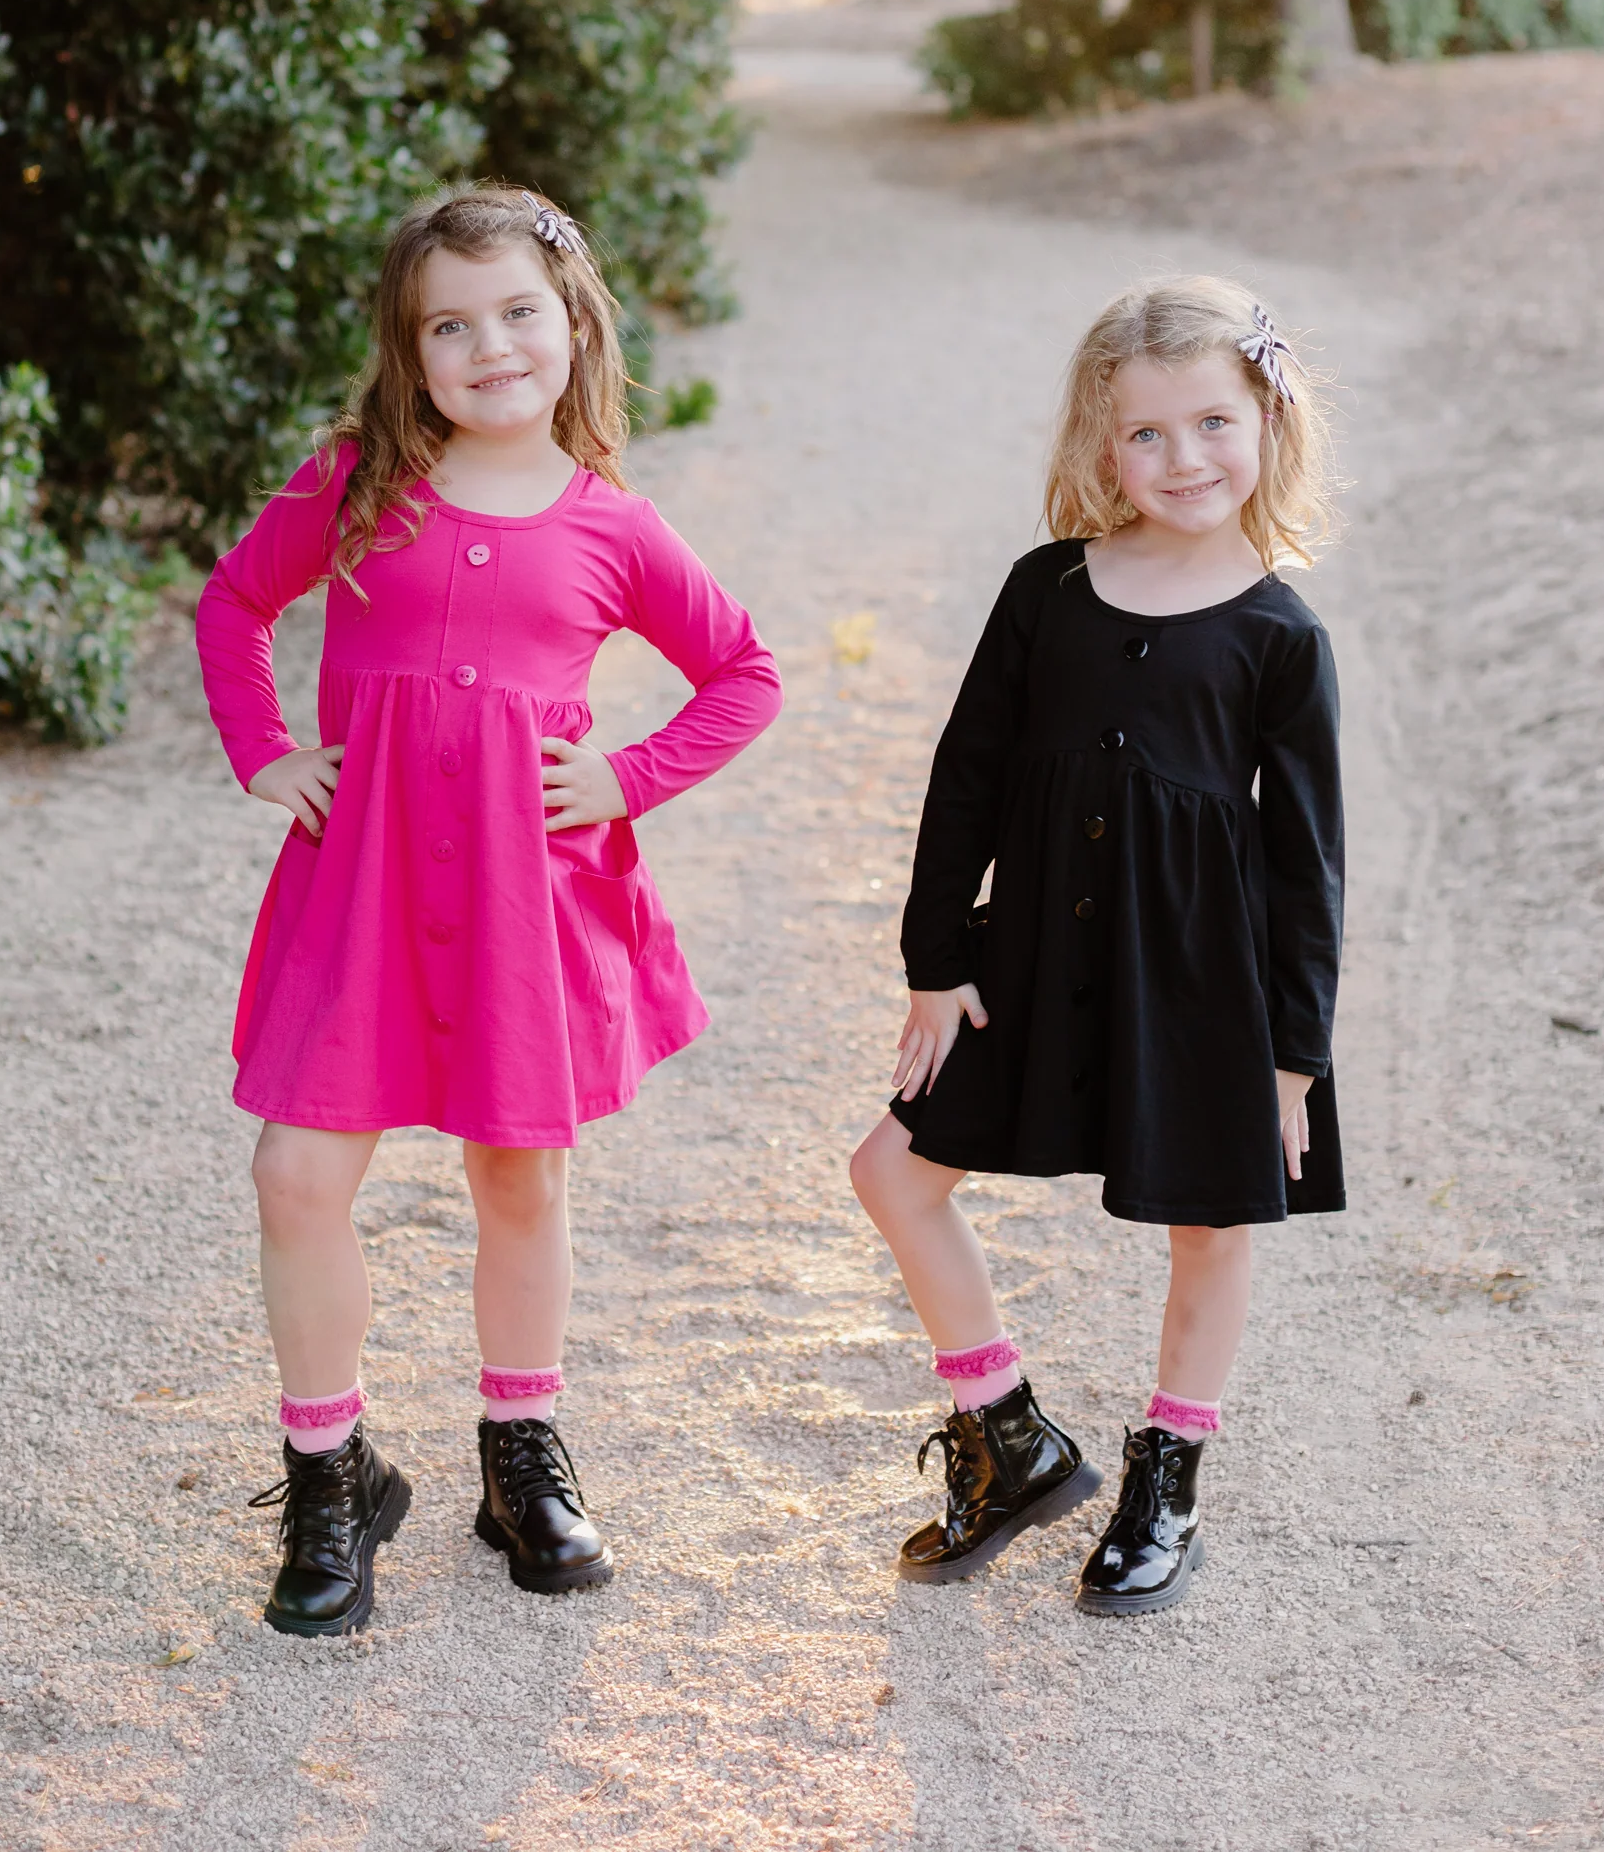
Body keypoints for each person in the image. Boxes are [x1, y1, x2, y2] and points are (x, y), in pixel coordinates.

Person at [195, 186, 781, 1634]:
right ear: (410, 351)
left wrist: (629, 775)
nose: (490, 345)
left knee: (519, 1180)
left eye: (519, 312)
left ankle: (521, 1453)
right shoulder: (355, 480)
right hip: (366, 896)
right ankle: (330, 1472)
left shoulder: (612, 525)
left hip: (529, 910)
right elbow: (230, 606)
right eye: (448, 325)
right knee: (295, 1174)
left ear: (576, 326)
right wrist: (267, 754)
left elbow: (747, 672)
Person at [850, 276, 1343, 1614]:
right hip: (1031, 950)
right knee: (892, 1169)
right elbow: (969, 770)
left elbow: (1308, 866)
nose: (1184, 459)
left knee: (1214, 1221)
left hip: (1198, 977)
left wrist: (1293, 1057)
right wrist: (937, 954)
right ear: (1097, 443)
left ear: (1267, 422)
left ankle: (1168, 1475)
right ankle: (1009, 1435)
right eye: (1146, 434)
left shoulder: (1280, 634)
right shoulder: (1045, 587)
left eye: (1212, 423)